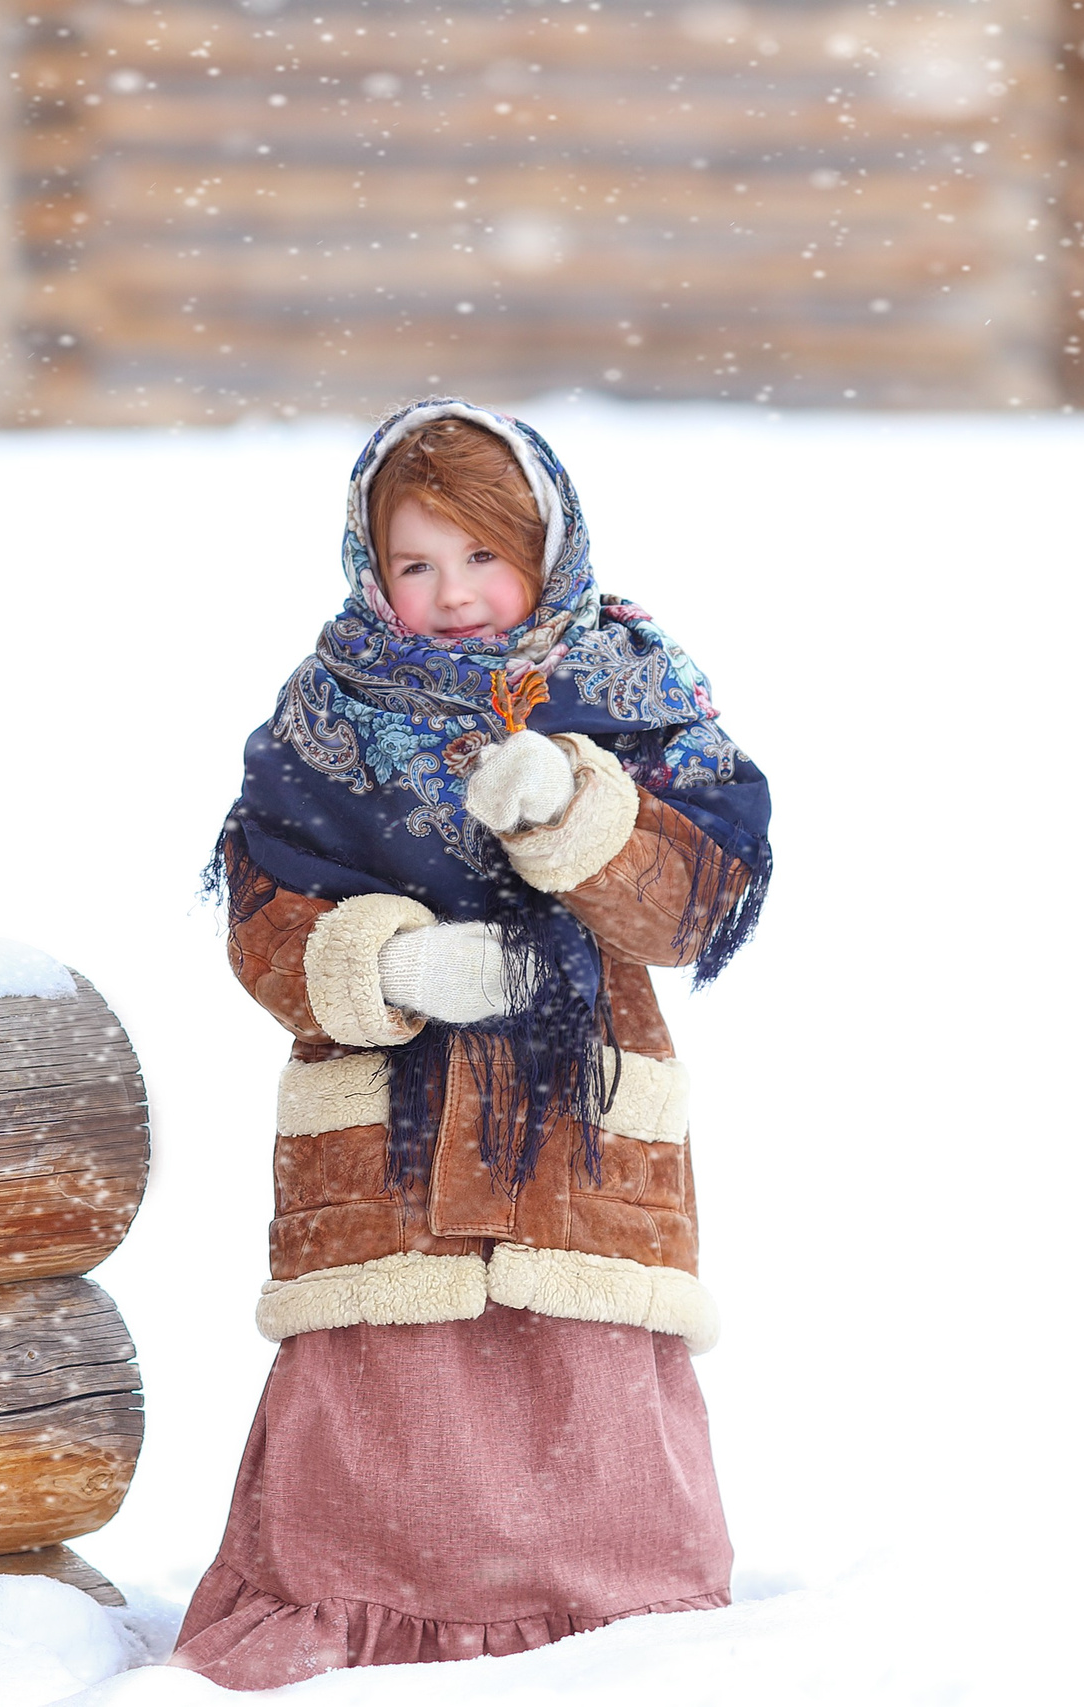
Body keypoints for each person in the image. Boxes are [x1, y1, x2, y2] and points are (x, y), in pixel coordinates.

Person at [172, 398, 774, 1687]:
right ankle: (361, 1616)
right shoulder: (322, 720)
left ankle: (608, 1631)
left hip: (581, 1121)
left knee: (586, 1388)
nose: (453, 597)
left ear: (545, 553)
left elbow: (697, 897)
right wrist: (383, 964)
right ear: (369, 565)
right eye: (416, 564)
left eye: (485, 558)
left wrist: (578, 818)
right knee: (392, 1404)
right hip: (387, 1134)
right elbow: (267, 919)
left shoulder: (630, 696)